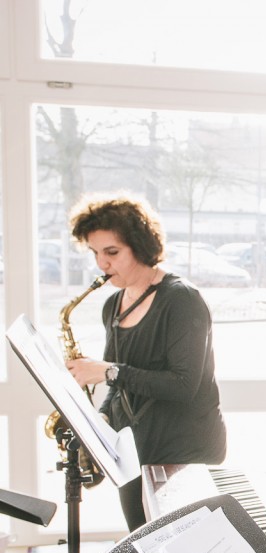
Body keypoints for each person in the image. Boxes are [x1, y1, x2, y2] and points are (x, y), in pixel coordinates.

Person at [65, 194, 227, 532]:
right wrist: (101, 418)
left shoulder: (181, 299)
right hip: (136, 451)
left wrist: (108, 372)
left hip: (184, 450)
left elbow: (183, 386)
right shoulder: (112, 305)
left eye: (112, 252)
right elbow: (118, 383)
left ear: (140, 245)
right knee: (144, 552)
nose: (102, 265)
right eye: (95, 253)